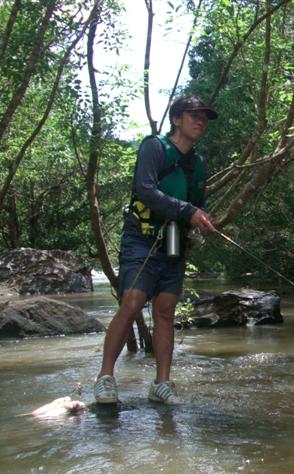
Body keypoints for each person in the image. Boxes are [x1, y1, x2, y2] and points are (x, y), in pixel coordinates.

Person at [94, 95, 220, 405]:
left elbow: (197, 204)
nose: (201, 121)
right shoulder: (154, 147)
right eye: (193, 115)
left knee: (165, 309)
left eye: (204, 117)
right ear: (176, 119)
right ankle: (105, 378)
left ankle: (162, 384)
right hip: (141, 236)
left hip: (175, 238)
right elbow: (145, 190)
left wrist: (199, 221)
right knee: (134, 299)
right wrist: (187, 209)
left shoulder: (198, 163)